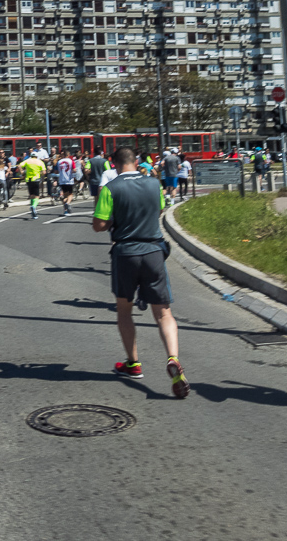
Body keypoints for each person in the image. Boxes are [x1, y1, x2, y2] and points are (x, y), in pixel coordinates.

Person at [92, 147, 189, 398]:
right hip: (153, 251)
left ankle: (133, 364)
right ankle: (173, 359)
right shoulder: (153, 184)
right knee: (163, 312)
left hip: (125, 252)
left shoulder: (110, 188)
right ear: (136, 162)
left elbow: (99, 226)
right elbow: (158, 211)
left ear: (114, 164)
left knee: (124, 310)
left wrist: (116, 219)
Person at [19, 152, 47, 219]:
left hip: (28, 180)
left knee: (31, 195)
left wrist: (22, 172)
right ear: (37, 156)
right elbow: (44, 172)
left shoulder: (27, 161)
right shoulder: (40, 162)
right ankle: (33, 206)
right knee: (37, 196)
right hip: (36, 179)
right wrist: (40, 174)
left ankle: (32, 212)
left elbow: (19, 166)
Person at [56, 150, 76, 216]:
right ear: (68, 155)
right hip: (69, 180)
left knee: (65, 195)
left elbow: (57, 171)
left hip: (62, 180)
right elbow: (74, 170)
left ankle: (65, 211)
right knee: (70, 194)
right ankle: (68, 203)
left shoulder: (59, 162)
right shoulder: (71, 161)